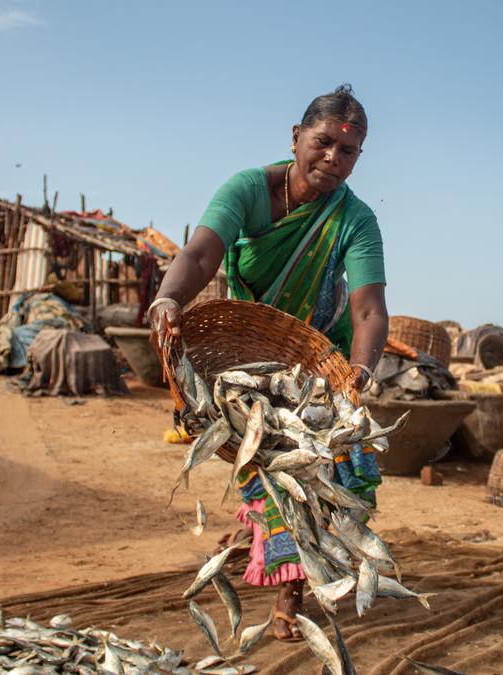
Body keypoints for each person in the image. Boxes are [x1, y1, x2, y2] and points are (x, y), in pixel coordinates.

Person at [148, 84, 389, 641]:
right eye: (323, 142)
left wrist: (358, 374)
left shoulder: (356, 219)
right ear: (296, 137)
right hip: (246, 348)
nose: (333, 158)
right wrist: (168, 300)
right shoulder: (248, 189)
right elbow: (202, 252)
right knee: (259, 463)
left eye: (349, 151)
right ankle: (263, 549)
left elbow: (370, 308)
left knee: (314, 472)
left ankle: (292, 590)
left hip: (319, 356)